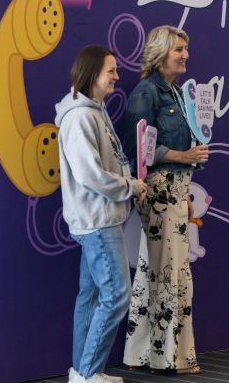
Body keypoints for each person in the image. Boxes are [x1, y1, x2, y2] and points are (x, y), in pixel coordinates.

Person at [55, 45, 148, 383]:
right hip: (98, 221)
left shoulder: (93, 111)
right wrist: (129, 186)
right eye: (111, 70)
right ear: (93, 74)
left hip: (99, 218)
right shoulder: (80, 117)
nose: (117, 76)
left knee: (92, 295)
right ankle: (88, 374)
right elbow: (90, 175)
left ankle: (82, 372)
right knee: (116, 295)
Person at [123, 26, 208, 375]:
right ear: (160, 53)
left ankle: (142, 353)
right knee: (169, 274)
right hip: (157, 191)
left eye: (186, 48)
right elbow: (137, 148)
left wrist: (186, 184)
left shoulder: (177, 92)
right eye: (178, 49)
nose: (185, 54)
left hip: (176, 190)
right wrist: (183, 156)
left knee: (154, 272)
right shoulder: (147, 92)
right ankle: (166, 357)